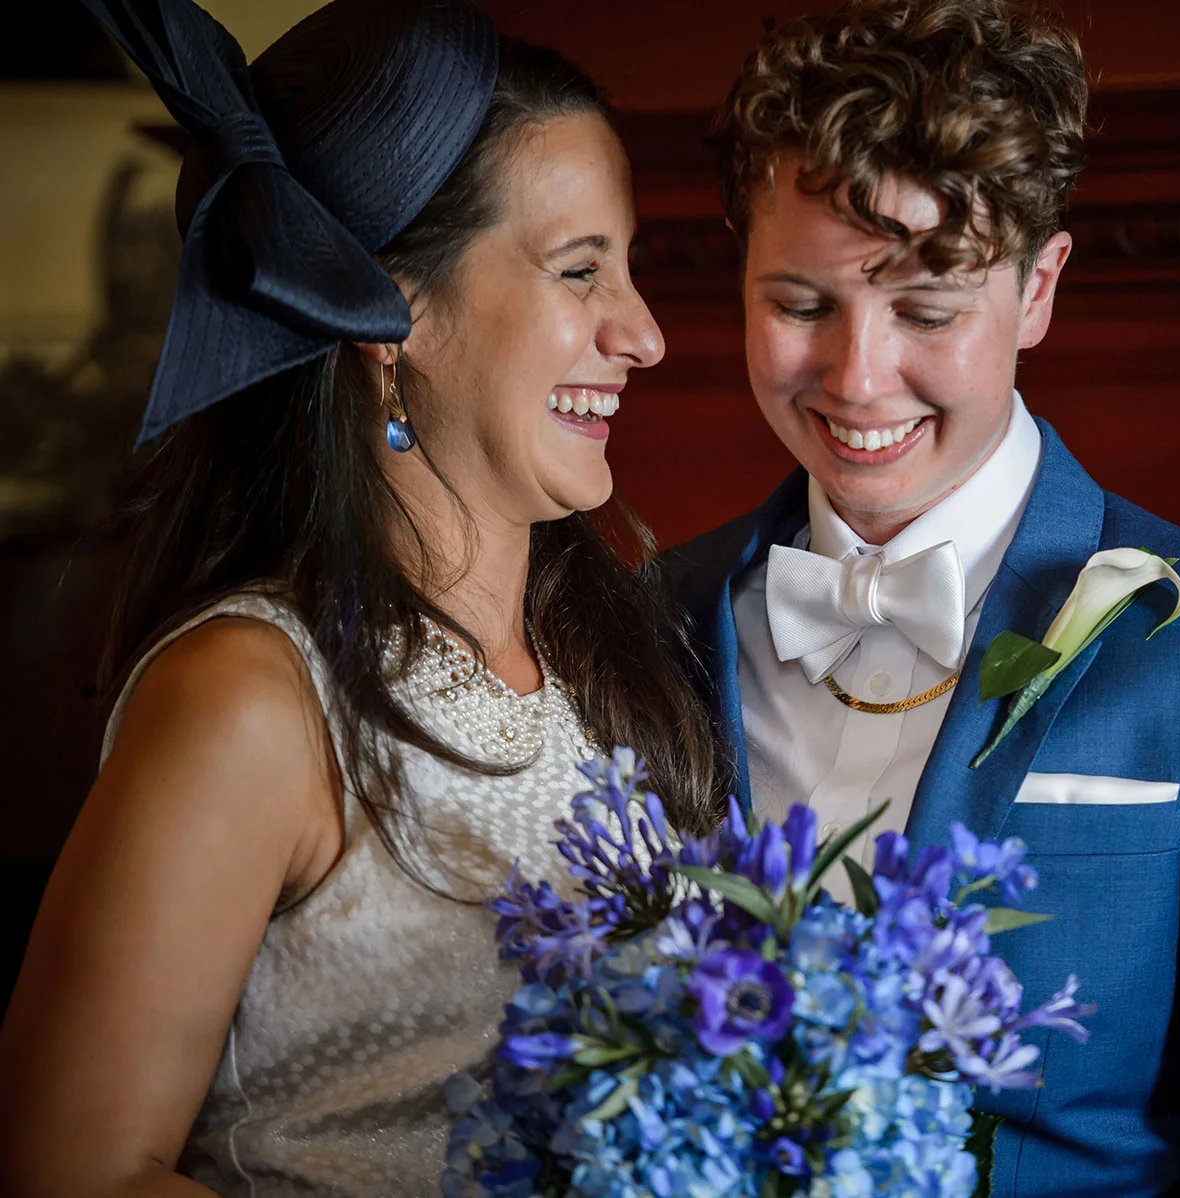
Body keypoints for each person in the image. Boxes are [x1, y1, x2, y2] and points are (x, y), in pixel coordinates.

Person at [661, 2, 1180, 1195]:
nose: (857, 377)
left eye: (927, 310)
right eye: (799, 304)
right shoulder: (653, 619)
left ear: (1039, 287)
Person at [0, 0, 726, 1193]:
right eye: (581, 270)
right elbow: (67, 1171)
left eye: (629, 268)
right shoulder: (251, 697)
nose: (642, 332)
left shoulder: (619, 660)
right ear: (393, 312)